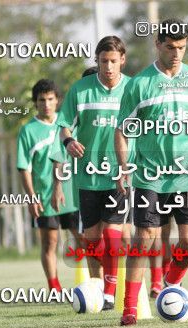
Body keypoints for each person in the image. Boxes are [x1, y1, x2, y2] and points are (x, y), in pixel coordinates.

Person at [115, 18, 188, 326]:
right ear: (157, 45)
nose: (177, 54)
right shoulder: (140, 84)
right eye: (171, 47)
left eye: (182, 48)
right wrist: (123, 168)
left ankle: (170, 286)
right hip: (151, 175)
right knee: (144, 238)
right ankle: (130, 308)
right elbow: (122, 130)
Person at [57, 36, 132, 311]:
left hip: (119, 175)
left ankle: (110, 294)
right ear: (97, 61)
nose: (109, 67)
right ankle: (96, 287)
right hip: (87, 175)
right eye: (103, 61)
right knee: (92, 240)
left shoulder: (133, 89)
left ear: (122, 60)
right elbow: (64, 124)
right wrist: (68, 141)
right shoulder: (81, 89)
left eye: (114, 61)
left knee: (113, 234)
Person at [17, 79, 81, 292]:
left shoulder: (68, 125)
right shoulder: (28, 131)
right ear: (35, 103)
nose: (46, 104)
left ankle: (94, 283)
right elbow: (24, 167)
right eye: (42, 100)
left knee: (83, 239)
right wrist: (31, 197)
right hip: (44, 197)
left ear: (57, 100)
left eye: (50, 99)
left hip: (72, 194)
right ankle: (54, 287)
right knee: (50, 242)